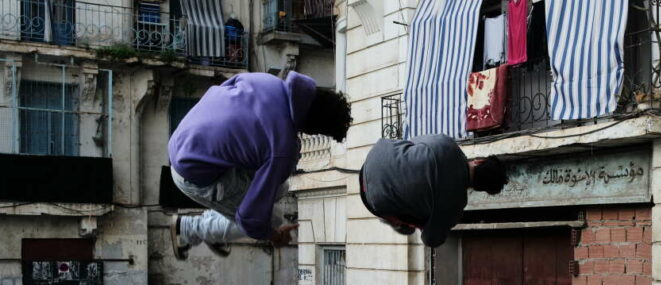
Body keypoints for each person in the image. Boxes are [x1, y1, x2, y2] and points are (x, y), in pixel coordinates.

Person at [168, 71, 352, 259]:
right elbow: (250, 218)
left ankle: (213, 228)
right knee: (271, 218)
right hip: (192, 175)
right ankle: (189, 229)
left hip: (179, 140)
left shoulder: (265, 80)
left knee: (280, 189)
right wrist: (274, 235)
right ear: (313, 127)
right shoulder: (281, 149)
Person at [359, 135, 508, 248]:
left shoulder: (448, 143)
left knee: (413, 149)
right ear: (481, 189)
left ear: (479, 161)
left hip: (375, 156)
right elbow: (430, 240)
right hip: (373, 197)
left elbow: (414, 141)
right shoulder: (455, 209)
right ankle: (398, 221)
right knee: (426, 219)